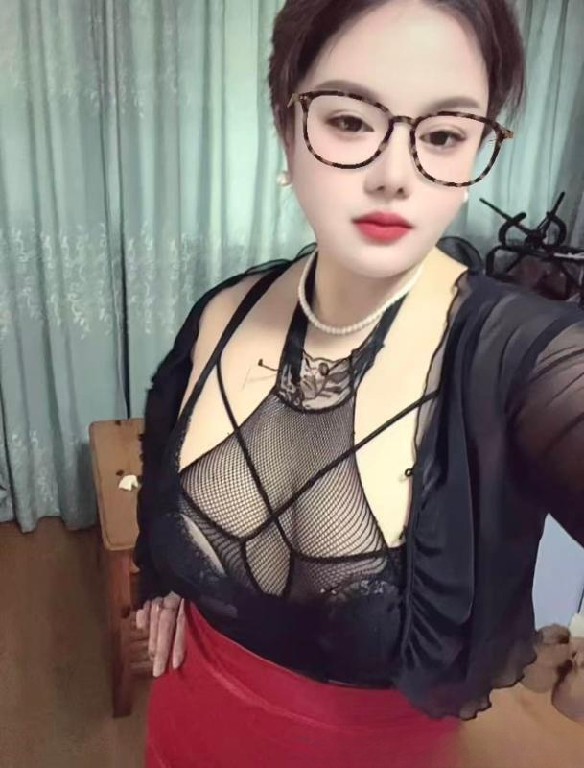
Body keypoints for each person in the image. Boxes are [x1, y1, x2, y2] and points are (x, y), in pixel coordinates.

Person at [134, 0, 584, 765]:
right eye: (349, 121)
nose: (394, 176)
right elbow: (159, 464)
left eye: (443, 135)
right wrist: (163, 572)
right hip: (186, 723)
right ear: (288, 127)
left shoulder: (525, 361)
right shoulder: (221, 311)